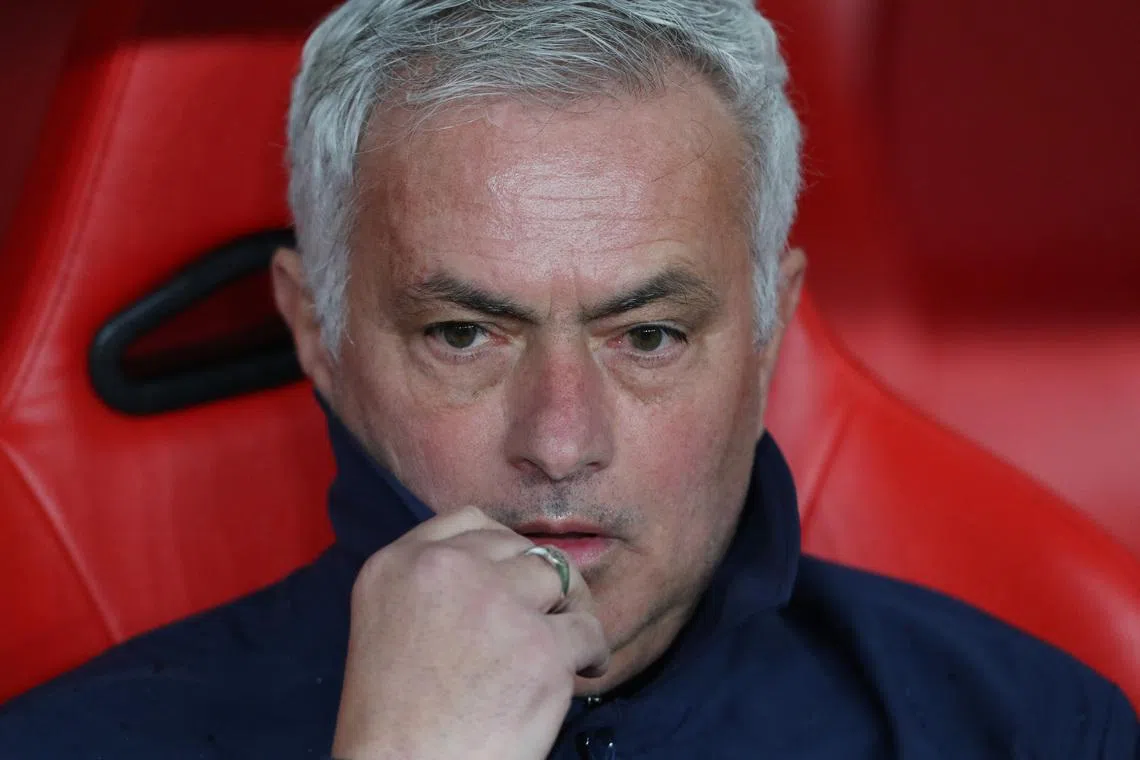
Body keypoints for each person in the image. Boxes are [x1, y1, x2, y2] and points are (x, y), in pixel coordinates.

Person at [1, 0, 1137, 757]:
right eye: (465, 334)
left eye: (648, 336)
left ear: (768, 333)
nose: (559, 440)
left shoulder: (1030, 728)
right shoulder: (69, 746)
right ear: (318, 333)